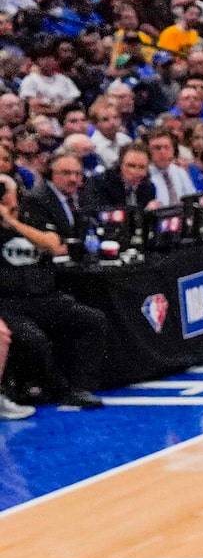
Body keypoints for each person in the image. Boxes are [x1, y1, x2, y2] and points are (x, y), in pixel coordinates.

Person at [0, 173, 106, 407]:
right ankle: (56, 388)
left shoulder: (32, 216)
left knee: (93, 321)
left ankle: (82, 387)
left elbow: (52, 244)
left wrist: (13, 222)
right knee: (34, 340)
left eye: (4, 190)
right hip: (8, 302)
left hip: (44, 295)